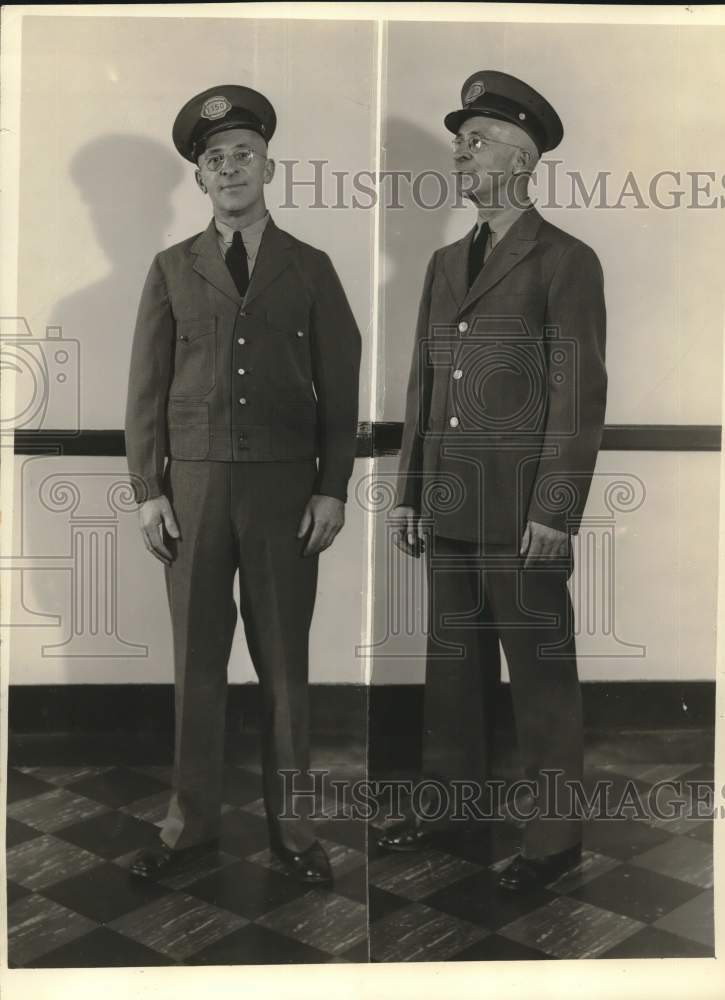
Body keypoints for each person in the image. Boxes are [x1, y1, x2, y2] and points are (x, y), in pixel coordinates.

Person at [124, 85, 361, 885]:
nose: (229, 168)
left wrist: (331, 488)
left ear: (270, 167)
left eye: (243, 155)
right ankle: (186, 828)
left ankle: (294, 835)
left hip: (284, 496)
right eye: (213, 158)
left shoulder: (311, 268)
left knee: (284, 667)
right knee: (196, 662)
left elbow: (340, 390)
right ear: (199, 178)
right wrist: (147, 490)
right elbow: (145, 390)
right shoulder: (170, 269)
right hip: (189, 493)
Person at [378, 71, 607, 892]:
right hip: (447, 501)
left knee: (539, 675)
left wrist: (556, 510)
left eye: (474, 144)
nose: (460, 156)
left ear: (519, 158)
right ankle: (453, 808)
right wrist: (407, 491)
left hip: (520, 513)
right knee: (453, 668)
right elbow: (424, 385)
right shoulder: (446, 263)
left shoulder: (564, 261)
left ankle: (552, 841)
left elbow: (577, 397)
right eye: (459, 144)